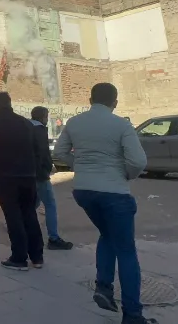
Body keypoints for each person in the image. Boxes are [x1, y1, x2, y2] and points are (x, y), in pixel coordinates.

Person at [54, 83, 155, 324]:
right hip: (114, 193)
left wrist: (80, 166)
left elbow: (59, 152)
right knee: (127, 252)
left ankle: (104, 287)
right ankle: (133, 315)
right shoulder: (121, 125)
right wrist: (126, 174)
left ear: (90, 99)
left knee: (107, 235)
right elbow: (138, 161)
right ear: (115, 102)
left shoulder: (75, 123)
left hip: (84, 191)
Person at [0, 92, 44, 271]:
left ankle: (19, 258)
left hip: (6, 177)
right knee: (29, 214)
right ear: (10, 104)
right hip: (28, 176)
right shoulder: (26, 123)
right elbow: (37, 150)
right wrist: (34, 172)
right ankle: (37, 256)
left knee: (13, 217)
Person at [30, 106, 74, 251]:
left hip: (29, 173)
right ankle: (53, 238)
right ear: (43, 116)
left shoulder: (26, 127)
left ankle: (22, 226)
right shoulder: (40, 130)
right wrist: (48, 169)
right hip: (40, 175)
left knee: (33, 203)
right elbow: (43, 154)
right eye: (46, 116)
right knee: (50, 204)